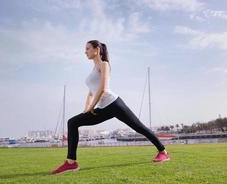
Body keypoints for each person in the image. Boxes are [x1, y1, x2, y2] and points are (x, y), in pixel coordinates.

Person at [51, 40, 170, 175]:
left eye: (88, 48)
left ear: (97, 50)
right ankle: (71, 163)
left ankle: (163, 152)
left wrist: (92, 107)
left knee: (139, 127)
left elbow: (103, 88)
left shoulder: (104, 64)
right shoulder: (93, 69)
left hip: (114, 104)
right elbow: (91, 91)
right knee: (73, 122)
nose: (85, 51)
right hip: (102, 107)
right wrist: (87, 107)